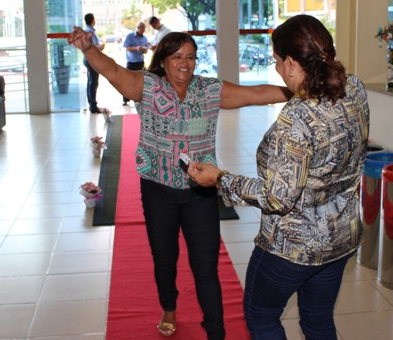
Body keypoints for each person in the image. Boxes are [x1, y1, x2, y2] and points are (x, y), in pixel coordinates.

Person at [67, 28, 292, 339]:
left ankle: (216, 330)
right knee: (165, 256)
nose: (185, 64)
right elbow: (114, 71)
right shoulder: (147, 86)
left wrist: (301, 92)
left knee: (206, 266)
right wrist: (90, 50)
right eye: (177, 57)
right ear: (163, 60)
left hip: (200, 192)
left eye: (190, 57)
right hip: (158, 189)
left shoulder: (209, 90)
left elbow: (255, 94)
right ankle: (169, 307)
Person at [187, 14, 370, 340]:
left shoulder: (297, 118)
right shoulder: (354, 88)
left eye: (275, 61)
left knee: (261, 316)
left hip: (292, 248)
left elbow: (277, 197)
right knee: (318, 322)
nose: (275, 69)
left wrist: (221, 179)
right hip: (342, 237)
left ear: (289, 63)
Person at [82, 13, 106, 114]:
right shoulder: (89, 32)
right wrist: (101, 46)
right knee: (93, 82)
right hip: (91, 60)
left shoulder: (88, 31)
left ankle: (92, 104)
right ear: (92, 20)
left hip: (89, 59)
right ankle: (93, 105)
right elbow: (92, 47)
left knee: (91, 82)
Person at [121, 21, 149, 105]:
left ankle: (138, 98)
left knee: (140, 81)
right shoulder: (130, 36)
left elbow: (146, 49)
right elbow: (127, 47)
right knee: (127, 81)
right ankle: (125, 99)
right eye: (142, 28)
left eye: (144, 28)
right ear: (138, 28)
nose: (144, 30)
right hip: (131, 62)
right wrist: (137, 48)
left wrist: (144, 50)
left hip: (140, 62)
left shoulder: (144, 38)